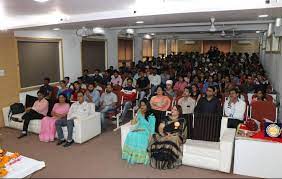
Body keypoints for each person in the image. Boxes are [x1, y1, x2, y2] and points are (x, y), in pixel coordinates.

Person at [148, 105, 186, 170]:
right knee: (153, 136)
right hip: (165, 134)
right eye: (172, 109)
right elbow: (160, 128)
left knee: (173, 139)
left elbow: (182, 131)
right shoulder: (166, 118)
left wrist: (172, 135)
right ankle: (160, 161)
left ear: (179, 112)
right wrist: (164, 134)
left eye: (175, 110)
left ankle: (168, 162)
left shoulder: (182, 120)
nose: (172, 110)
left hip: (176, 136)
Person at [122, 99, 156, 165]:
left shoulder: (151, 114)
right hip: (138, 128)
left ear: (147, 105)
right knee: (130, 134)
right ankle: (132, 155)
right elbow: (134, 122)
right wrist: (137, 113)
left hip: (146, 131)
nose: (142, 107)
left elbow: (152, 127)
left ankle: (140, 157)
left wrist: (151, 136)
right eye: (141, 105)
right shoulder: (140, 112)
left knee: (139, 136)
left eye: (144, 105)